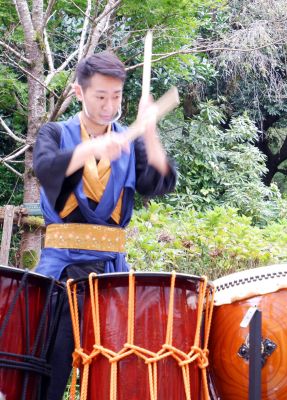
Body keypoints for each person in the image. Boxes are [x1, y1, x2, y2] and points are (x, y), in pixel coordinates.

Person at [33, 51, 177, 399]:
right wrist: (90, 149)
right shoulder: (54, 133)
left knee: (113, 376)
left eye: (116, 97)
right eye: (100, 96)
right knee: (49, 373)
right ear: (79, 93)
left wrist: (150, 131)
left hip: (113, 274)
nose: (109, 105)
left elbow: (158, 182)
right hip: (62, 270)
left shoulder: (131, 141)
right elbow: (47, 169)